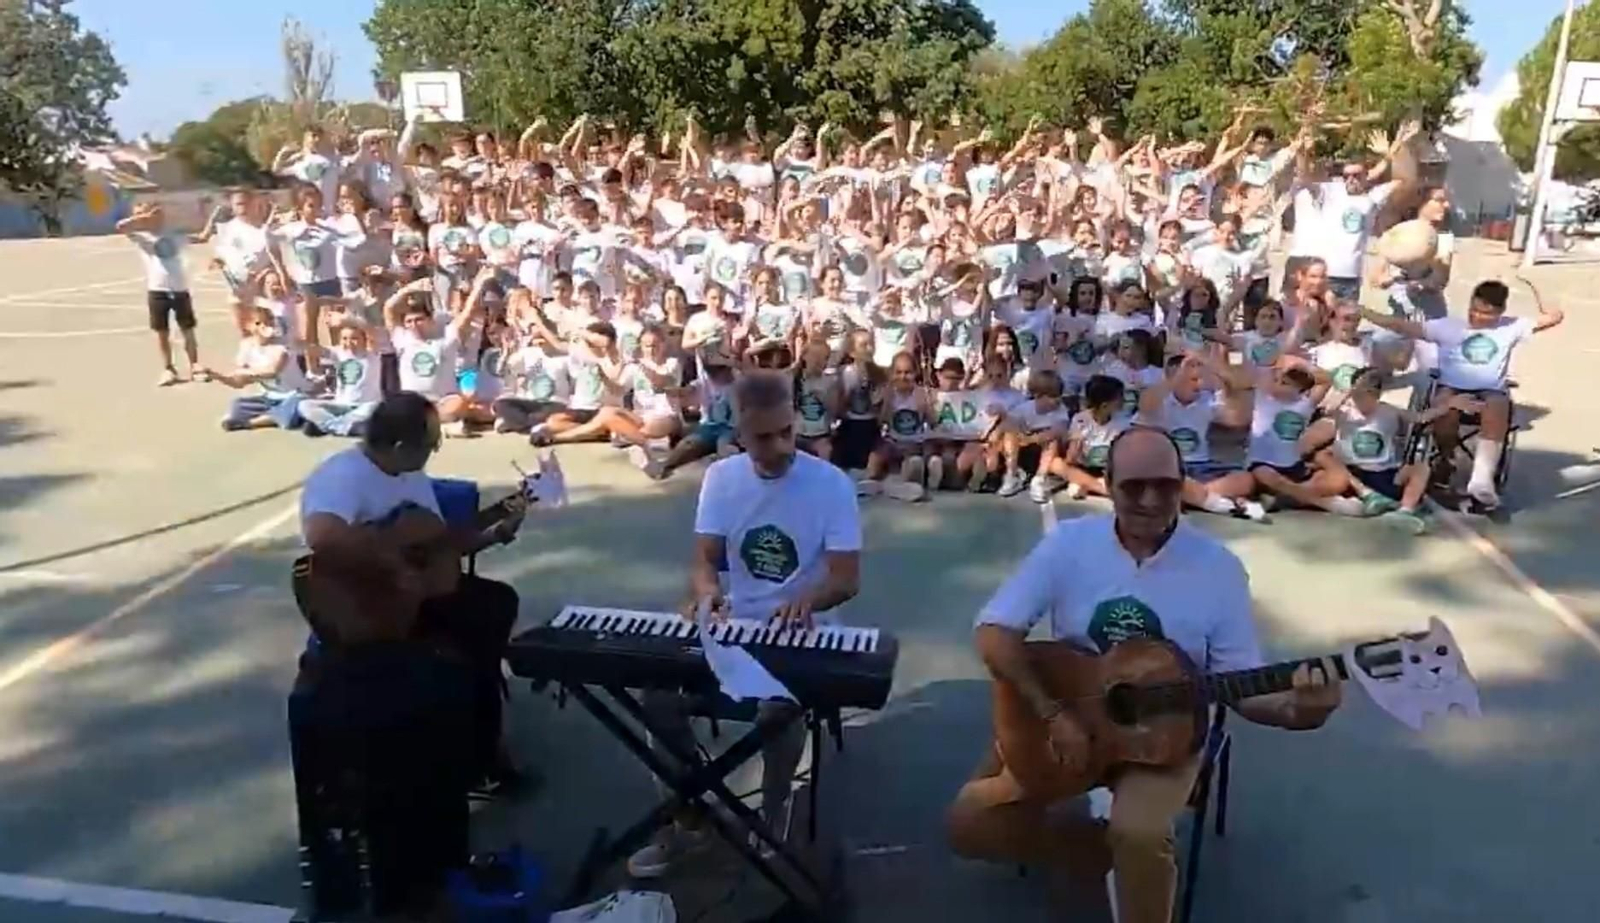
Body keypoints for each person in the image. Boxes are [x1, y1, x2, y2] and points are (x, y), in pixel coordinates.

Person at [947, 426, 1342, 923]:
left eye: (1166, 485)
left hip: (1168, 737)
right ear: (1108, 484)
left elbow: (1243, 685)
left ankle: (1133, 875)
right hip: (1069, 719)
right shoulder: (1070, 545)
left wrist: (1296, 711)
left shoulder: (1218, 570)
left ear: (1184, 485)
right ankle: (1090, 856)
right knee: (969, 823)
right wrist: (1052, 713)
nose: (1151, 500)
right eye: (1135, 486)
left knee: (1140, 832)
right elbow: (993, 634)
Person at [296, 392, 527, 915]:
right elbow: (322, 537)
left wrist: (493, 531)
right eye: (430, 442)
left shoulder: (410, 477)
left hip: (413, 605)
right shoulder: (343, 475)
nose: (435, 450)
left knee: (493, 608)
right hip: (363, 610)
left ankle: (478, 747)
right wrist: (390, 565)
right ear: (399, 444)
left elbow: (439, 547)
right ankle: (479, 754)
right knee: (470, 637)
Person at [629, 372, 861, 878]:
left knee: (779, 714)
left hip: (807, 630)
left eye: (786, 432)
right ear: (736, 431)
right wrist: (708, 593)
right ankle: (687, 816)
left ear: (795, 421)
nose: (778, 446)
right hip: (737, 626)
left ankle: (772, 816)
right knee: (657, 698)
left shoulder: (832, 484)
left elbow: (846, 579)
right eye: (763, 437)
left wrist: (807, 600)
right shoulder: (721, 478)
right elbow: (705, 561)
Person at [1360, 279, 1564, 509]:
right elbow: (1399, 325)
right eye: (1474, 309)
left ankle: (1481, 479)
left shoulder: (1512, 326)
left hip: (1490, 389)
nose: (1477, 316)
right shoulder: (1448, 326)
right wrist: (1363, 311)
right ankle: (1446, 460)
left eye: (1486, 313)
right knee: (1447, 410)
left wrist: (1534, 285)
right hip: (1451, 387)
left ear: (1500, 312)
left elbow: (1555, 315)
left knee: (1498, 404)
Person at [117, 202, 213, 386]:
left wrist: (213, 218)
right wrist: (141, 218)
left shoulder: (174, 235)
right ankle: (168, 369)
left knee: (188, 330)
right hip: (157, 289)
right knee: (162, 332)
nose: (149, 218)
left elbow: (202, 238)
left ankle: (195, 365)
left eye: (154, 214)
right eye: (143, 215)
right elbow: (120, 226)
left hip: (179, 288)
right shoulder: (141, 237)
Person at [203, 306, 314, 431]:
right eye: (258, 323)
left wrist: (246, 373)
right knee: (237, 404)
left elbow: (272, 371)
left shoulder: (283, 345)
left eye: (269, 321)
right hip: (267, 397)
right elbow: (239, 382)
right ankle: (268, 416)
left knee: (298, 405)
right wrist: (216, 375)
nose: (264, 326)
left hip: (293, 394)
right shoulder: (247, 346)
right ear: (249, 326)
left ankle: (253, 423)